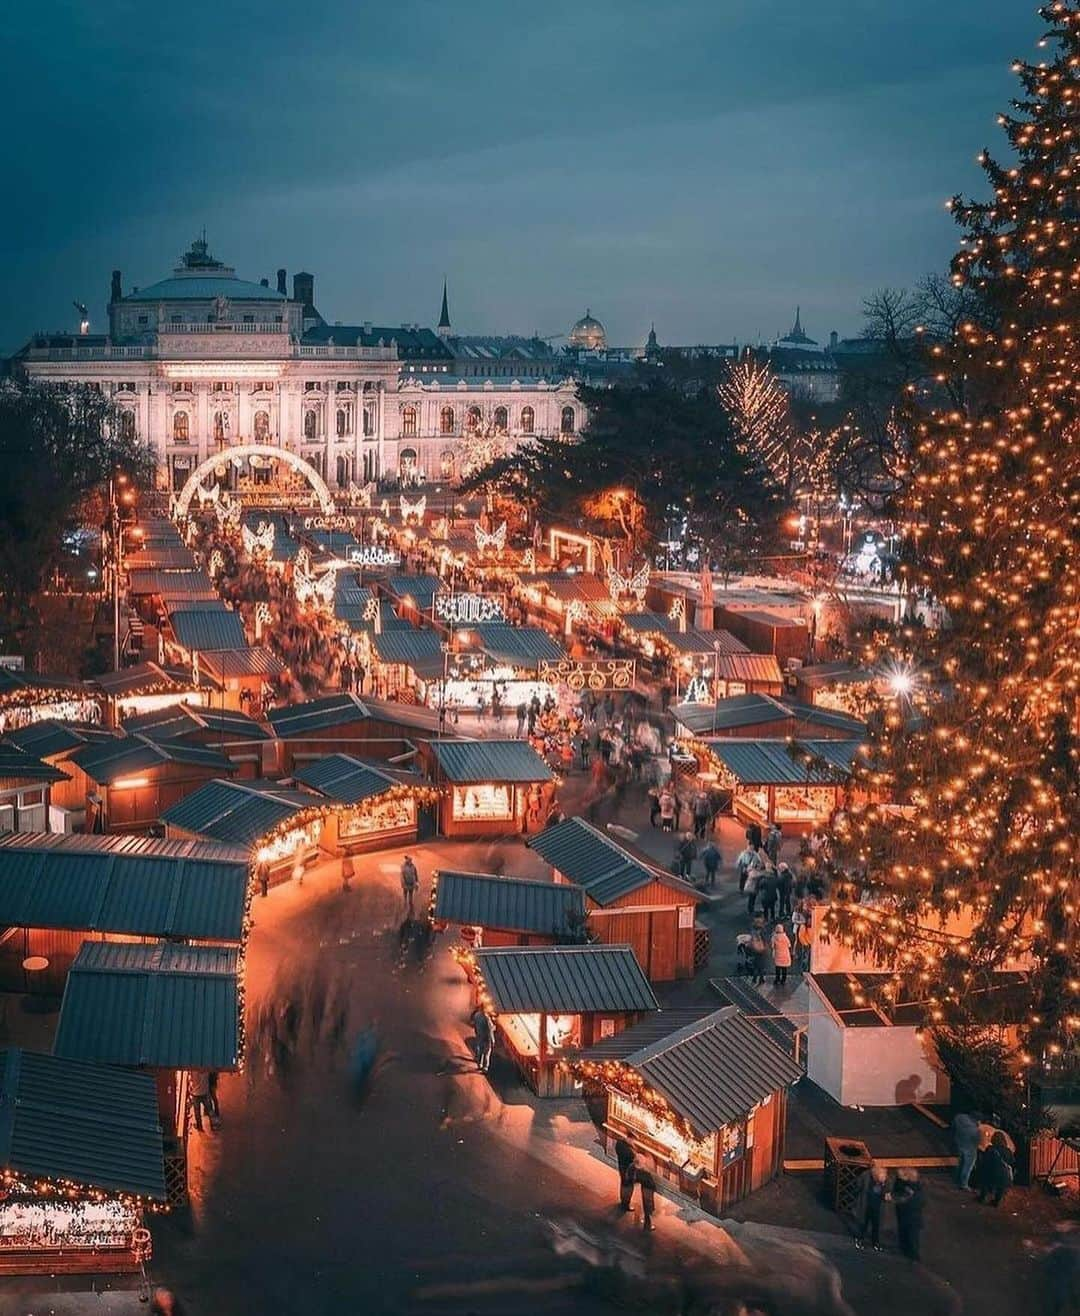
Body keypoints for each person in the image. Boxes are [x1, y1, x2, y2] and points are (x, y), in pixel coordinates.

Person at [891, 1168, 925, 1260]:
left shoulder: (916, 1189)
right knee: (906, 1233)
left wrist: (902, 1201)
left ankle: (913, 1254)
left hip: (911, 1217)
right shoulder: (904, 1184)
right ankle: (906, 1249)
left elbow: (916, 1202)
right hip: (906, 1215)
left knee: (912, 1236)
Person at [854, 1162, 888, 1251]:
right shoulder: (865, 1176)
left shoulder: (883, 1180)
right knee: (863, 1224)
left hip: (877, 1207)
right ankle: (860, 1240)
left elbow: (885, 1191)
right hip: (866, 1205)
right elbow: (858, 1186)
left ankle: (875, 1243)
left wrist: (885, 1194)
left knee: (876, 1226)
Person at [978, 1132, 1015, 1207]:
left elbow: (985, 1161)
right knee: (1001, 1186)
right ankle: (997, 1201)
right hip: (1004, 1176)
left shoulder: (990, 1149)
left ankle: (982, 1197)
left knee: (985, 1177)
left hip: (991, 1174)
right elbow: (1012, 1161)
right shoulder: (1007, 1150)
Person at [952, 1110, 980, 1190]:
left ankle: (956, 1178)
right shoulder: (975, 1130)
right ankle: (963, 1184)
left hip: (959, 1144)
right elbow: (977, 1142)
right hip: (970, 1149)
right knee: (967, 1167)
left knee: (960, 1163)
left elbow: (954, 1126)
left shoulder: (960, 1117)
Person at [615, 1136, 637, 1212]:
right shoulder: (630, 1152)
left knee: (623, 1183)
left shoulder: (619, 1143)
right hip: (628, 1170)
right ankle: (626, 1204)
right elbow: (635, 1159)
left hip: (622, 1166)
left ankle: (623, 1202)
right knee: (628, 1185)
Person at [472, 1006, 495, 1073]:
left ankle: (479, 1064)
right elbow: (490, 1030)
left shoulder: (477, 1015)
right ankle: (485, 1068)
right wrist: (492, 1040)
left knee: (480, 1051)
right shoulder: (486, 1018)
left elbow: (475, 1025)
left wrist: (477, 1033)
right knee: (486, 1054)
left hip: (479, 1036)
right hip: (486, 1038)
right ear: (485, 1009)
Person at [636, 1167, 656, 1231]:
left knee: (647, 1201)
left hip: (645, 1181)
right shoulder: (644, 1162)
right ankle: (647, 1224)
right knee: (648, 1202)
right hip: (647, 1182)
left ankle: (647, 1221)